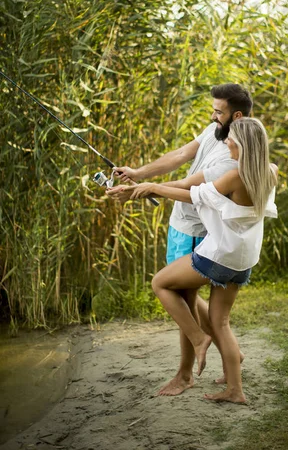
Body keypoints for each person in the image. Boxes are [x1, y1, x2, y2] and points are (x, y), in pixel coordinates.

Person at [107, 84, 253, 395]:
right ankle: (232, 359)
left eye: (218, 111)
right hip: (180, 225)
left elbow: (189, 185)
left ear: (235, 116)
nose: (213, 115)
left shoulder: (232, 158)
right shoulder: (218, 130)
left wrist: (140, 190)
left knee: (180, 296)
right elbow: (183, 153)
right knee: (188, 298)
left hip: (197, 231)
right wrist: (139, 173)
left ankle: (185, 374)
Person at [128, 117, 278, 404]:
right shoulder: (269, 172)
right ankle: (235, 390)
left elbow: (194, 195)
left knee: (160, 283)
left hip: (220, 255)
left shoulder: (235, 176)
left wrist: (154, 188)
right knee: (221, 323)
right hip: (244, 261)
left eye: (231, 139)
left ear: (243, 143)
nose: (227, 142)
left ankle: (198, 338)